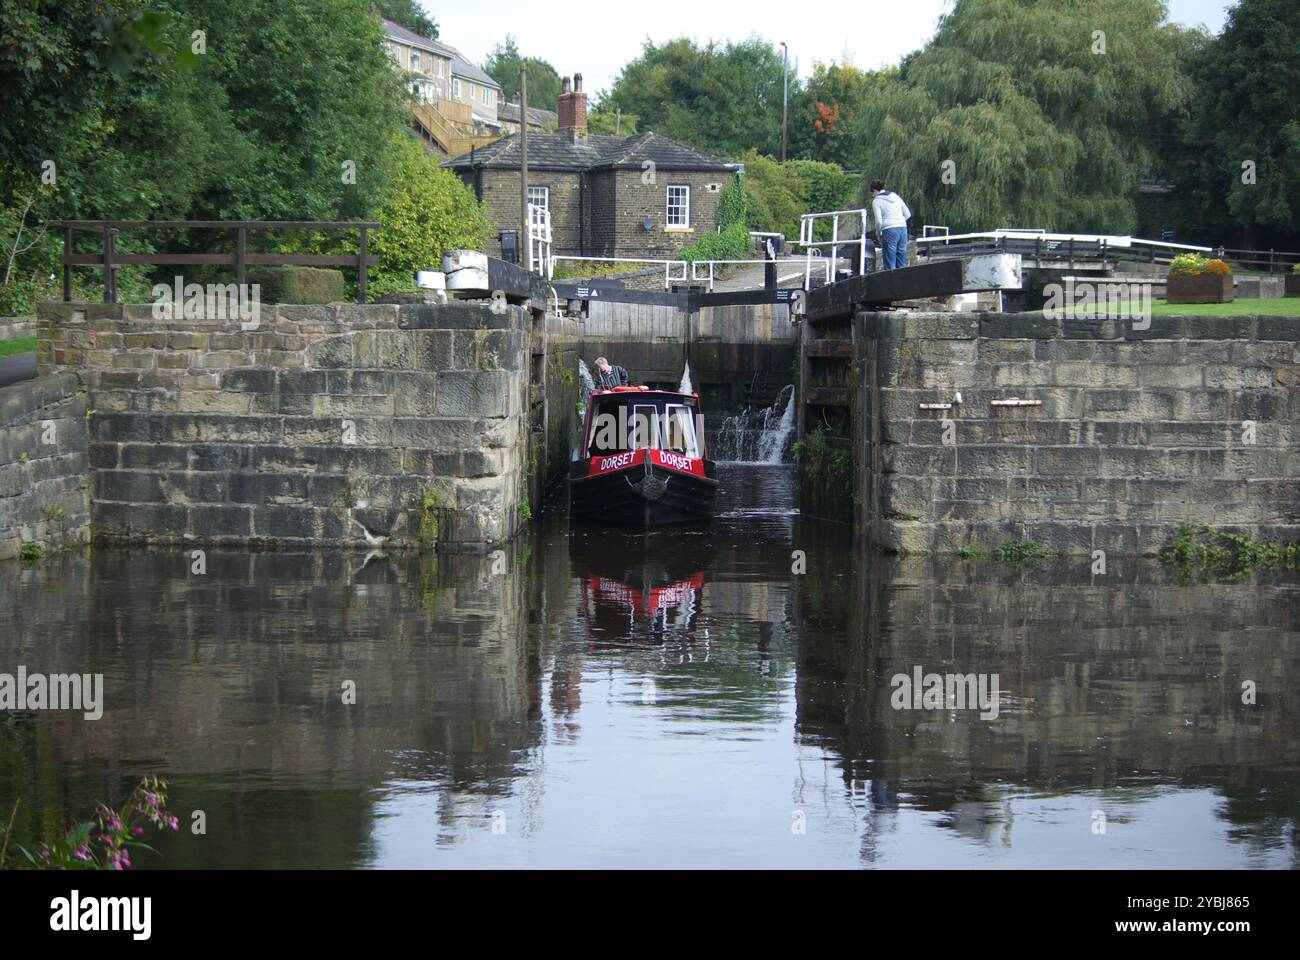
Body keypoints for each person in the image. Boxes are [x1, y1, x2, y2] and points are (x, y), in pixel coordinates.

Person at [870, 179, 912, 271]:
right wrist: (898, 221)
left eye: (872, 193)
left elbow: (879, 221)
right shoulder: (895, 196)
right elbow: (908, 214)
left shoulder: (876, 201)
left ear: (875, 190)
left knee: (890, 261)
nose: (873, 195)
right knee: (902, 260)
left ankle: (890, 282)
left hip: (889, 230)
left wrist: (878, 232)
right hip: (902, 228)